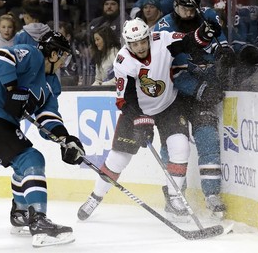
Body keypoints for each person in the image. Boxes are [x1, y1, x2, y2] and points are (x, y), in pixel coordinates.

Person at [77, 17, 221, 222]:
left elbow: (188, 41)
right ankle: (95, 197)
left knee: (180, 147)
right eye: (134, 44)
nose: (140, 47)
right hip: (136, 112)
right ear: (128, 43)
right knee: (118, 160)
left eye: (142, 41)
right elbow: (125, 100)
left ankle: (174, 197)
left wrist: (204, 33)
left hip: (168, 106)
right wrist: (140, 120)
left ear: (148, 37)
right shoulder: (123, 61)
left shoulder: (162, 40)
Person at [0, 31, 85, 247]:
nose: (65, 61)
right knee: (32, 159)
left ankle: (20, 216)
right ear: (54, 54)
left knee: (24, 163)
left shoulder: (52, 84)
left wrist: (65, 139)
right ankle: (39, 222)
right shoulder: (32, 55)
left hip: (1, 121)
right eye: (63, 55)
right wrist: (13, 89)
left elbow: (47, 116)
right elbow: (0, 57)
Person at [154, 0, 231, 217]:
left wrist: (224, 54)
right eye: (183, 8)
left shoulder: (206, 18)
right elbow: (171, 71)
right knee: (174, 145)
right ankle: (175, 195)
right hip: (173, 97)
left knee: (208, 139)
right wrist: (201, 89)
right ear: (175, 5)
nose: (188, 12)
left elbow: (220, 44)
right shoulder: (163, 28)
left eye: (191, 8)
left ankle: (212, 195)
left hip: (202, 90)